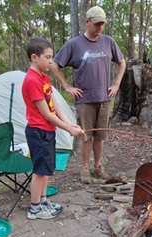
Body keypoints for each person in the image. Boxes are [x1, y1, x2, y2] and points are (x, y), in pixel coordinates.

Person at [51, 5, 126, 183]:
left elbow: (122, 62)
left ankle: (98, 167)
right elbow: (54, 64)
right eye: (97, 24)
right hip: (84, 99)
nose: (100, 28)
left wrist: (116, 84)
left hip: (104, 98)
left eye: (102, 24)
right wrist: (67, 86)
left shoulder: (108, 42)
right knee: (86, 135)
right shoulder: (74, 44)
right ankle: (84, 169)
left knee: (100, 136)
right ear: (87, 22)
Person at [22, 37, 84, 220]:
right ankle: (34, 208)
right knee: (39, 171)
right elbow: (46, 114)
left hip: (47, 131)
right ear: (35, 57)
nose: (51, 61)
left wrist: (69, 123)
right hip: (38, 131)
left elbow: (54, 104)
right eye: (48, 57)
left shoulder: (44, 77)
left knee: (46, 169)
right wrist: (67, 129)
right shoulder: (32, 80)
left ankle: (42, 201)